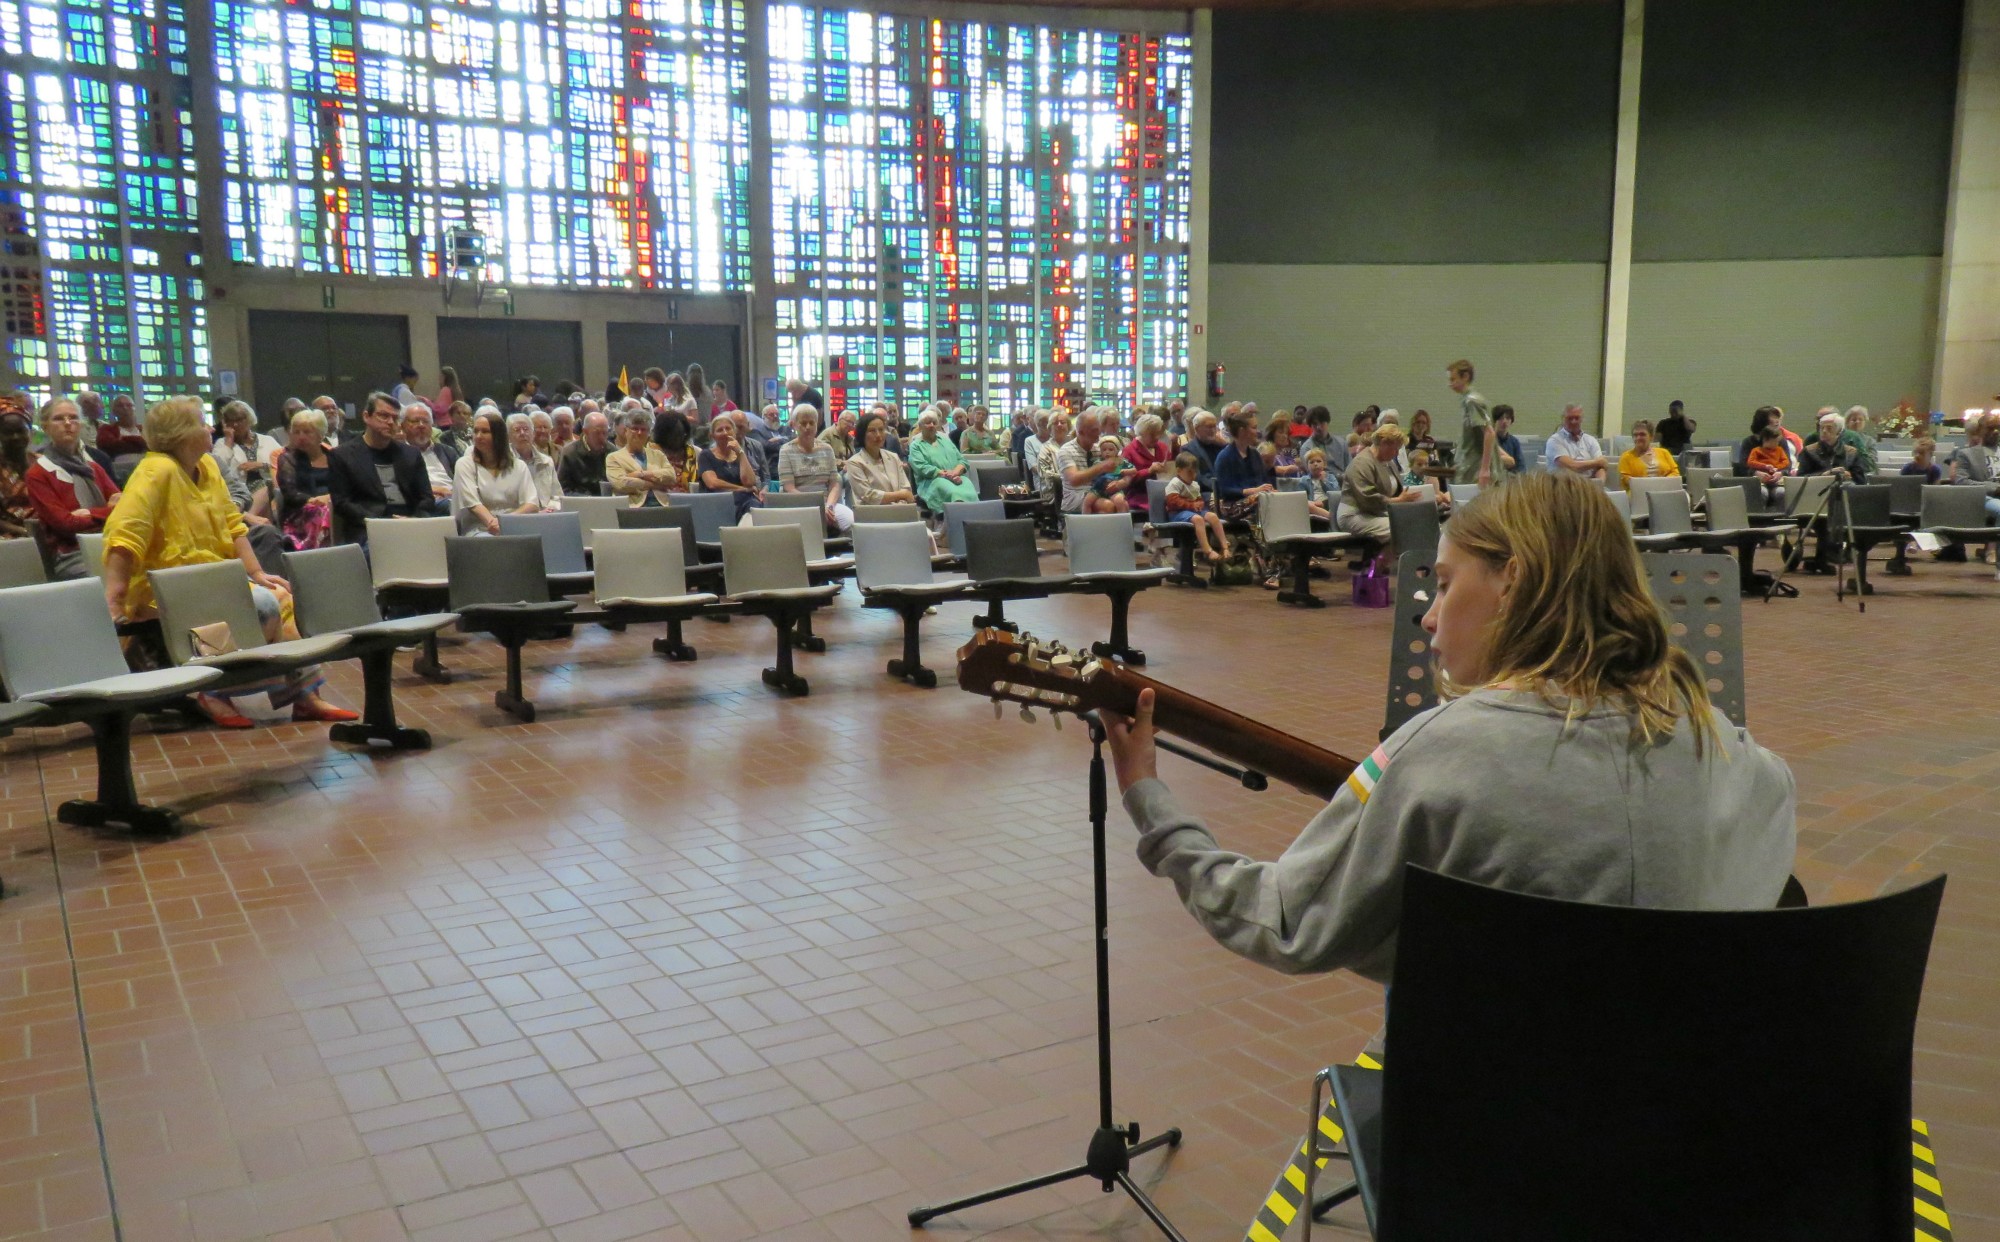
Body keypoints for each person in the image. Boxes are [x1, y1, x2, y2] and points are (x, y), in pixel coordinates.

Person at [1100, 473, 1796, 1026]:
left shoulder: (1440, 751)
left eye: (1446, 581)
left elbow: (1285, 923)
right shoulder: (1724, 746)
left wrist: (1151, 802)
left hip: (1486, 1145)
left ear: (1514, 580)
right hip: (1692, 1139)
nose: (1428, 612)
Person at [101, 396, 357, 728]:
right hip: (165, 589)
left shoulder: (207, 465)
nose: (211, 427)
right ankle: (214, 691)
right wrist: (115, 601)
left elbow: (234, 527)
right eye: (200, 421)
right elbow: (125, 536)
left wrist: (257, 572)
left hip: (215, 580)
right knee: (261, 606)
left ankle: (304, 696)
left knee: (282, 597)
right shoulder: (156, 471)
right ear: (180, 432)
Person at [27, 396, 121, 576]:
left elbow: (125, 507)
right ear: (45, 426)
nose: (68, 423)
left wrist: (90, 513)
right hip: (71, 555)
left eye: (73, 417)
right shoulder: (38, 474)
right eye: (59, 418)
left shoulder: (93, 467)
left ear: (81, 424)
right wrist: (107, 511)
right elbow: (66, 525)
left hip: (111, 542)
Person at [328, 392, 434, 543]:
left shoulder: (411, 454)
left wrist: (414, 520)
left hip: (410, 524)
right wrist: (380, 523)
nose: (390, 422)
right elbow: (342, 503)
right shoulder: (342, 456)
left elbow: (426, 498)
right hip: (368, 529)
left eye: (395, 418)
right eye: (383, 416)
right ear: (366, 416)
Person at [453, 409, 542, 534]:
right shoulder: (464, 464)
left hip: (513, 525)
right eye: (476, 431)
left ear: (499, 436)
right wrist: (493, 523)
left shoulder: (519, 466)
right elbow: (472, 503)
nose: (478, 436)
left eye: (485, 432)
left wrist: (505, 522)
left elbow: (532, 504)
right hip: (479, 528)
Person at [1339, 425, 1433, 543]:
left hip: (1378, 513)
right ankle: (1381, 561)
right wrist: (1399, 500)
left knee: (1423, 523)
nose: (1397, 453)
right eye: (1396, 448)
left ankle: (1389, 560)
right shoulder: (1361, 463)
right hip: (1355, 516)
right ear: (1384, 443)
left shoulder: (1388, 463)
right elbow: (1368, 499)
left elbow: (1398, 492)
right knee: (1404, 528)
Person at [779, 406, 853, 533]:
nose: (808, 427)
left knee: (851, 521)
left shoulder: (827, 448)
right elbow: (788, 487)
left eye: (811, 423)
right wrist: (817, 507)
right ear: (794, 425)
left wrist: (829, 506)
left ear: (817, 425)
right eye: (803, 423)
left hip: (827, 504)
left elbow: (835, 483)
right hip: (799, 504)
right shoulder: (786, 450)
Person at [274, 407, 333, 550]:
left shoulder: (335, 457)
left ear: (320, 434)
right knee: (322, 512)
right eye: (296, 432)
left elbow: (346, 487)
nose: (301, 437)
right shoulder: (287, 459)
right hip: (300, 514)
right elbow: (290, 494)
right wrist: (314, 501)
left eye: (307, 432)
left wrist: (329, 498)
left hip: (332, 505)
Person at [1059, 409, 1130, 515]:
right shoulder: (1066, 450)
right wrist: (1101, 467)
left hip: (1100, 491)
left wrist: (1120, 482)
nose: (1099, 433)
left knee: (1123, 503)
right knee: (1107, 506)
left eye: (1099, 429)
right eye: (1094, 430)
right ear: (1081, 432)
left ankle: (1120, 531)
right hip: (1075, 495)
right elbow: (1074, 481)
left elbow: (1122, 468)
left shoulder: (1101, 447)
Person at [1212, 409, 1277, 525]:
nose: (1257, 432)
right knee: (1261, 499)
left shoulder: (1255, 454)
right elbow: (1225, 490)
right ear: (1242, 431)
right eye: (1254, 427)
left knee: (1282, 497)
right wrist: (1253, 491)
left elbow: (1264, 480)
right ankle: (1263, 541)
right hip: (1232, 505)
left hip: (1258, 499)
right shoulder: (1224, 457)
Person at [1162, 452, 1230, 562]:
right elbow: (1172, 502)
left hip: (1192, 510)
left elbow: (1199, 499)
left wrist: (1199, 504)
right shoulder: (1175, 483)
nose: (1193, 475)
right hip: (1177, 513)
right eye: (1189, 472)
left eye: (1195, 472)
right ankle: (1207, 550)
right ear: (1179, 471)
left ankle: (1224, 546)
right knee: (1198, 519)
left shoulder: (1195, 485)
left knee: (1212, 516)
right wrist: (1192, 504)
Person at [607, 409, 682, 506]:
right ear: (626, 431)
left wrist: (640, 474)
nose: (639, 433)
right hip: (633, 508)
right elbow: (621, 483)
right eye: (635, 428)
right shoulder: (613, 458)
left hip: (663, 505)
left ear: (648, 433)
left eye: (643, 429)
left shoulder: (658, 455)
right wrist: (655, 485)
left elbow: (671, 476)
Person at [910, 409, 980, 510]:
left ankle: (974, 522)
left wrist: (955, 472)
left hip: (957, 477)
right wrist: (947, 475)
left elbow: (962, 460)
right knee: (954, 493)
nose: (932, 425)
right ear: (920, 426)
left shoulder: (946, 440)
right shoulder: (916, 445)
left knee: (970, 489)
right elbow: (922, 468)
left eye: (934, 423)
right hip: (933, 481)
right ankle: (952, 521)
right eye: (928, 423)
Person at [211, 401, 282, 501]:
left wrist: (262, 465)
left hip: (270, 489)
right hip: (238, 493)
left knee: (264, 488)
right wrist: (228, 442)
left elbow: (284, 464)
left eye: (239, 419)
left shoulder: (267, 440)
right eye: (230, 420)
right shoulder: (222, 444)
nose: (235, 424)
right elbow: (216, 469)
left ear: (249, 419)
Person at [698, 413, 763, 521]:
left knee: (754, 504)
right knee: (751, 504)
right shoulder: (705, 455)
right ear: (712, 436)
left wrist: (741, 453)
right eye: (720, 430)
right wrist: (742, 489)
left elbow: (750, 482)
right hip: (718, 501)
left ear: (734, 432)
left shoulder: (739, 455)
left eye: (728, 429)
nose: (725, 433)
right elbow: (712, 483)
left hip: (743, 501)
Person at [844, 412, 917, 505]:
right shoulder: (855, 462)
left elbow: (906, 489)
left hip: (899, 510)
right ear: (862, 434)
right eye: (872, 431)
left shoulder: (893, 457)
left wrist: (899, 504)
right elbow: (868, 496)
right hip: (872, 514)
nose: (878, 435)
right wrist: (900, 495)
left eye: (881, 429)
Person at [403, 403, 459, 515]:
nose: (421, 425)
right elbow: (401, 486)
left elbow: (463, 480)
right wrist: (433, 490)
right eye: (415, 421)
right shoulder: (398, 453)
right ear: (402, 425)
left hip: (452, 498)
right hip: (421, 501)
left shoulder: (447, 451)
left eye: (426, 421)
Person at [1446, 360, 1493, 487]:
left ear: (1465, 376)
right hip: (1467, 466)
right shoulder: (1467, 401)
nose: (1450, 384)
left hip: (1474, 470)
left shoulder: (1471, 401)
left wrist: (1484, 469)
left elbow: (1489, 433)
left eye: (1453, 379)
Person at [1122, 413, 1177, 519]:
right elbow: (1125, 480)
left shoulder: (1163, 447)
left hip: (1164, 492)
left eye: (1158, 433)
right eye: (1152, 434)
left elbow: (1171, 467)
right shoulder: (1129, 451)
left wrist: (1175, 447)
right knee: (1162, 506)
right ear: (1142, 433)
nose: (1156, 437)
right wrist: (1149, 471)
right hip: (1141, 495)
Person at [507, 412, 560, 508]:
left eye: (526, 429)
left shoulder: (547, 461)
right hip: (518, 516)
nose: (522, 433)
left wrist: (550, 510)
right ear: (508, 436)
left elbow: (557, 496)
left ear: (533, 434)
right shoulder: (504, 462)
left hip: (547, 516)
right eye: (517, 430)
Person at [1545, 404, 1609, 482]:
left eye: (1577, 418)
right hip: (1562, 487)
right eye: (1569, 418)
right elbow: (1572, 466)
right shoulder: (1554, 441)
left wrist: (1599, 484)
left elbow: (1601, 467)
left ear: (1582, 419)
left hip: (1590, 486)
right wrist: (1597, 462)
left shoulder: (1591, 440)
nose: (1573, 421)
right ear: (1563, 419)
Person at [558, 411, 614, 496]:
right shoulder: (570, 452)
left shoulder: (612, 451)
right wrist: (588, 499)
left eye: (605, 433)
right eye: (597, 433)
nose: (601, 437)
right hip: (580, 502)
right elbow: (563, 489)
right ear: (585, 431)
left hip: (607, 500)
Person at [1618, 420, 1682, 489]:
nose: (1638, 438)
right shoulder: (1626, 457)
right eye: (1635, 435)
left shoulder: (1664, 453)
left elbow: (1675, 473)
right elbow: (1626, 480)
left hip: (1665, 491)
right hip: (1639, 494)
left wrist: (1661, 484)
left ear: (1651, 437)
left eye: (1642, 434)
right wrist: (1651, 485)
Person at [653, 410, 700, 492]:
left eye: (681, 434)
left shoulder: (696, 452)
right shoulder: (651, 452)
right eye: (673, 435)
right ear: (663, 434)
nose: (678, 438)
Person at [1745, 426, 1791, 507]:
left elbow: (1786, 462)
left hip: (1776, 481)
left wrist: (1777, 468)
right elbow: (1750, 462)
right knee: (1762, 493)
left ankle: (1781, 516)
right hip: (1761, 482)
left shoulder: (1779, 450)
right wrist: (1765, 466)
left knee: (1781, 492)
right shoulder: (1756, 451)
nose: (1777, 444)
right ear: (1766, 440)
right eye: (1775, 441)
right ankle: (1760, 516)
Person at [97, 394, 148, 459]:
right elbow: (112, 446)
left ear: (134, 408)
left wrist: (123, 439)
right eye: (120, 406)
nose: (125, 408)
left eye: (129, 405)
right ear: (114, 411)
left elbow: (153, 445)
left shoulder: (145, 429)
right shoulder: (106, 429)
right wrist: (141, 441)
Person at [1299, 448, 1335, 521]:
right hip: (1313, 505)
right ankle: (1331, 517)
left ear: (1324, 464)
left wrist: (1324, 480)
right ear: (1307, 466)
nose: (1315, 464)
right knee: (1308, 505)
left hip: (1328, 503)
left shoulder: (1330, 477)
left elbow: (1335, 493)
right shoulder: (1304, 480)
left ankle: (1329, 516)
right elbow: (1301, 497)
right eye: (1311, 462)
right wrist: (1313, 503)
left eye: (1319, 461)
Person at [1840, 405, 1877, 476]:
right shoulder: (1841, 438)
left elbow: (1872, 461)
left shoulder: (1870, 441)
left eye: (1860, 419)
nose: (1857, 422)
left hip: (1864, 473)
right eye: (1854, 420)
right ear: (1847, 422)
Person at [1491, 405, 1524, 479]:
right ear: (1494, 421)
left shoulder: (1514, 441)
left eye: (1508, 418)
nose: (1504, 421)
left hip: (1512, 481)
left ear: (1511, 421)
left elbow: (1521, 467)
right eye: (1500, 418)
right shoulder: (1490, 441)